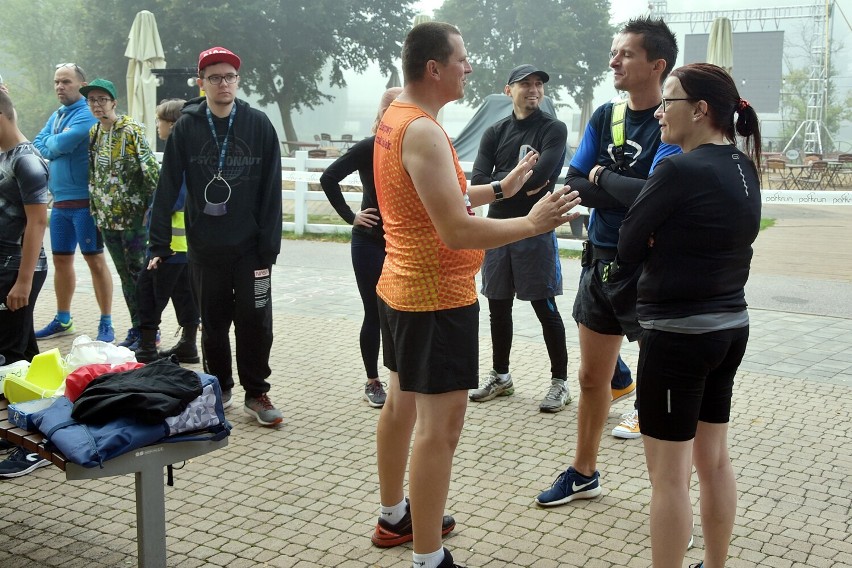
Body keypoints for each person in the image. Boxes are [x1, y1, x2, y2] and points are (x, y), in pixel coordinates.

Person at [370, 22, 580, 568]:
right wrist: (531, 223)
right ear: (434, 68)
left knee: (400, 406)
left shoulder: (396, 117)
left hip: (401, 286)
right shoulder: (422, 130)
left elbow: (442, 195)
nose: (469, 68)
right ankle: (428, 556)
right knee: (441, 428)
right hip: (435, 297)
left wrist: (501, 189)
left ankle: (395, 515)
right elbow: (457, 230)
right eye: (462, 59)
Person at [616, 62, 761, 568]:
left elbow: (629, 241)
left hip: (678, 337)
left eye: (668, 101)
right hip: (729, 330)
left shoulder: (678, 168)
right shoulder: (743, 167)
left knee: (668, 475)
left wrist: (658, 240)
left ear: (699, 110)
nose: (658, 112)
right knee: (713, 459)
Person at [535, 16, 679, 507]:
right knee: (592, 378)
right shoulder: (604, 115)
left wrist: (603, 180)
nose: (613, 60)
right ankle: (584, 472)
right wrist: (609, 186)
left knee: (659, 389)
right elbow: (575, 182)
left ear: (657, 65)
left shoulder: (675, 121)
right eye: (614, 52)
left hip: (652, 268)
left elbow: (657, 198)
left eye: (626, 54)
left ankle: (668, 501)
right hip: (600, 261)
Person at [148, 47, 283, 426]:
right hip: (206, 247)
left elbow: (272, 190)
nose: (223, 84)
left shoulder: (259, 125)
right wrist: (158, 243)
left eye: (229, 77)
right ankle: (219, 387)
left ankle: (256, 392)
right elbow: (167, 185)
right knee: (215, 322)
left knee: (256, 321)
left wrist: (269, 246)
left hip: (253, 249)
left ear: (238, 81)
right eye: (214, 78)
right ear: (201, 83)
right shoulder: (187, 128)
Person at [468, 64, 571, 412]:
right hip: (496, 230)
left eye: (539, 83)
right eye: (525, 83)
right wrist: (510, 183)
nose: (534, 89)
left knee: (545, 307)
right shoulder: (494, 132)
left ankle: (560, 381)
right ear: (508, 89)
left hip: (536, 227)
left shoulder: (553, 129)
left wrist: (503, 185)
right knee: (498, 306)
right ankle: (501, 375)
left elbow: (541, 177)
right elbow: (479, 179)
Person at [319, 87, 402, 408]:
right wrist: (351, 217)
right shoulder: (369, 148)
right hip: (369, 243)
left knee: (401, 312)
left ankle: (402, 376)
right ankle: (372, 380)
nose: (391, 113)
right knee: (375, 313)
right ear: (380, 114)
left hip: (402, 244)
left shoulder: (411, 146)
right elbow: (329, 178)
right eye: (386, 108)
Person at [33, 63, 115, 343]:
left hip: (86, 203)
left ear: (81, 84)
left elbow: (58, 146)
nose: (60, 87)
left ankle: (106, 321)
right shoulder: (57, 115)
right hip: (60, 204)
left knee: (95, 261)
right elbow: (38, 144)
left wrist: (53, 147)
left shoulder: (86, 113)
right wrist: (54, 146)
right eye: (56, 81)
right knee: (61, 261)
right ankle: (63, 318)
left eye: (66, 81)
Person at [83, 78, 160, 350]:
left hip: (134, 218)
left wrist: (154, 210)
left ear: (114, 102)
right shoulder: (94, 133)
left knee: (140, 275)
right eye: (92, 100)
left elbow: (151, 170)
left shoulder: (131, 130)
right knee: (125, 277)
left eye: (102, 99)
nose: (97, 105)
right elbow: (94, 173)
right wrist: (96, 210)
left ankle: (150, 330)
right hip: (107, 217)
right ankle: (136, 326)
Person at [0, 88, 52, 478]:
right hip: (6, 268)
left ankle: (33, 445)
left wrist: (22, 282)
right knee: (25, 355)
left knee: (12, 357)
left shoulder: (27, 160)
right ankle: (24, 430)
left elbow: (38, 223)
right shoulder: (4, 156)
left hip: (20, 271)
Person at [133, 99, 199, 364]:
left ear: (172, 125)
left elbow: (174, 198)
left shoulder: (178, 158)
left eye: (159, 120)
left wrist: (155, 205)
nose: (157, 125)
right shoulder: (193, 155)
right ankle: (188, 346)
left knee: (148, 293)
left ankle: (147, 349)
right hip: (185, 249)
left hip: (167, 247)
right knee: (186, 295)